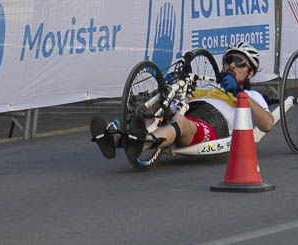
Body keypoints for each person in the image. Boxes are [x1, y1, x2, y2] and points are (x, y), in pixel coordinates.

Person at [90, 43, 274, 159]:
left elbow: (267, 124)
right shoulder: (206, 84)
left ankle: (144, 142)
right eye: (228, 60)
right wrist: (166, 90)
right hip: (188, 110)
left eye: (240, 61)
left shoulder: (252, 96)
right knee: (157, 117)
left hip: (214, 124)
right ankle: (113, 138)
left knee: (180, 122)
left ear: (250, 72)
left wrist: (239, 93)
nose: (232, 64)